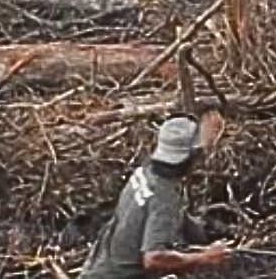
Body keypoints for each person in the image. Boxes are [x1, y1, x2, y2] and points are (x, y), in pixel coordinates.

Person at [79, 112, 232, 277]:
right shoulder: (165, 196)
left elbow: (154, 212)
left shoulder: (146, 171)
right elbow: (153, 259)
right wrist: (204, 258)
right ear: (191, 158)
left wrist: (203, 232)